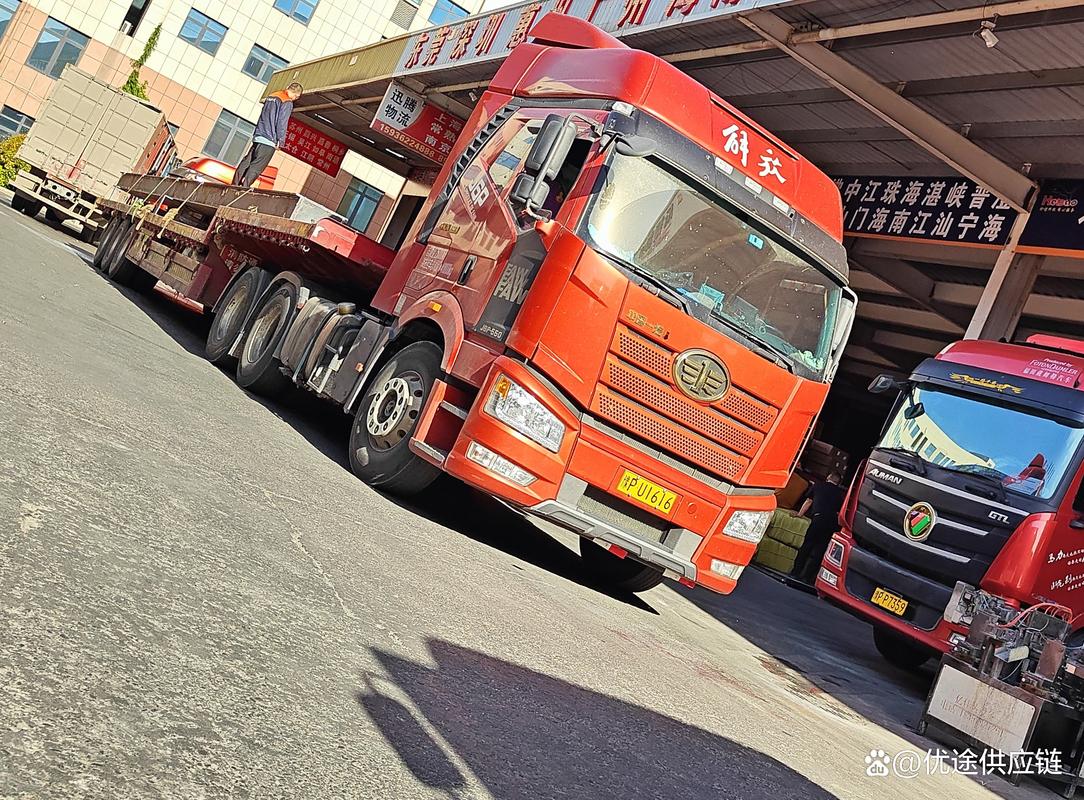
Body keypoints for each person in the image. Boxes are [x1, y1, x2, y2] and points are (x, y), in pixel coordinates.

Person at [232, 82, 303, 188]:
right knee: (257, 167)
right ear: (296, 95)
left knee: (247, 161)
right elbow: (282, 123)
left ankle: (234, 184)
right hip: (269, 140)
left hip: (259, 135)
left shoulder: (272, 96)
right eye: (296, 98)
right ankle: (243, 188)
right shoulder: (287, 102)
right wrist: (281, 141)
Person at [792, 471, 846, 584]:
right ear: (838, 483)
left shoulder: (818, 486)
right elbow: (840, 512)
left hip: (818, 518)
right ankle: (808, 577)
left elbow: (808, 501)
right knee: (820, 550)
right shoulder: (840, 494)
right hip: (832, 523)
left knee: (807, 546)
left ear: (828, 477)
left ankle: (796, 572)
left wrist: (799, 514)